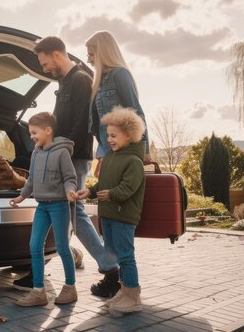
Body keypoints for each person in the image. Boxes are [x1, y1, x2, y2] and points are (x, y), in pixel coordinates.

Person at [12, 36, 122, 298]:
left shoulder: (80, 80)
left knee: (75, 213)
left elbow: (83, 123)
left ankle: (111, 269)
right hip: (63, 153)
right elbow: (59, 123)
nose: (44, 67)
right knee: (64, 212)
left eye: (45, 62)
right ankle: (39, 269)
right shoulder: (65, 83)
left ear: (57, 54)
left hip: (73, 156)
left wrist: (61, 152)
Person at [76, 106, 146, 314]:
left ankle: (133, 296)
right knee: (115, 255)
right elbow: (103, 183)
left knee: (125, 256)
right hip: (108, 215)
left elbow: (128, 188)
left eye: (114, 135)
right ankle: (123, 292)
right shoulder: (111, 158)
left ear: (129, 135)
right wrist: (89, 191)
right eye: (108, 135)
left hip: (123, 217)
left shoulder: (134, 161)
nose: (109, 140)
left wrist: (112, 194)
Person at [10, 112, 79, 307]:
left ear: (48, 130)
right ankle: (38, 291)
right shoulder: (36, 153)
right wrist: (21, 196)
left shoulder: (62, 152)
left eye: (34, 132)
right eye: (30, 133)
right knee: (34, 246)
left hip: (59, 206)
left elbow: (69, 178)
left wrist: (70, 191)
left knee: (63, 248)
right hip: (42, 207)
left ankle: (70, 287)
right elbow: (31, 180)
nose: (31, 136)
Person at [85, 30, 150, 179]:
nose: (89, 60)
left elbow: (137, 113)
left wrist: (145, 150)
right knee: (106, 194)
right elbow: (98, 125)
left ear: (103, 52)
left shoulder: (120, 75)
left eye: (91, 55)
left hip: (125, 150)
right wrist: (101, 153)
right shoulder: (98, 82)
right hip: (107, 149)